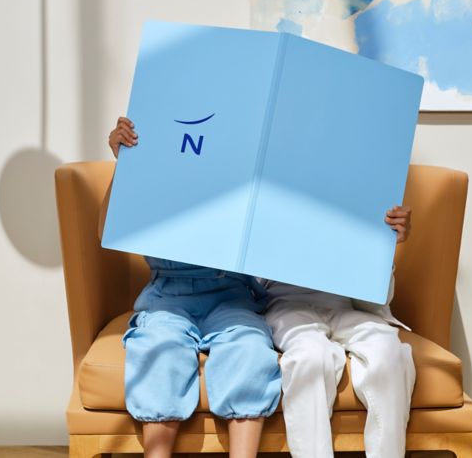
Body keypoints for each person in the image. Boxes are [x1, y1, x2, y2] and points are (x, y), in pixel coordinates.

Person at [108, 117, 281, 458]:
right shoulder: (157, 162)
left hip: (232, 294)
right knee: (159, 348)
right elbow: (106, 230)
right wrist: (125, 166)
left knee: (249, 347)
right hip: (168, 296)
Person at [260, 214, 415, 458]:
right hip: (286, 304)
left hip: (346, 304)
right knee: (310, 357)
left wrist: (384, 248)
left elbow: (377, 300)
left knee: (388, 351)